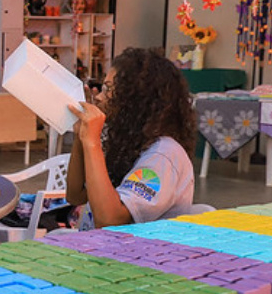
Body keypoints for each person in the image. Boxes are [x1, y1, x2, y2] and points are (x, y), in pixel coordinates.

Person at [66, 47, 197, 230]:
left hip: (137, 255)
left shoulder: (163, 155)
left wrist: (92, 141)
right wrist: (82, 137)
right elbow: (75, 195)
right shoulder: (130, 143)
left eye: (108, 89)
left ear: (135, 100)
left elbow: (109, 220)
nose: (99, 98)